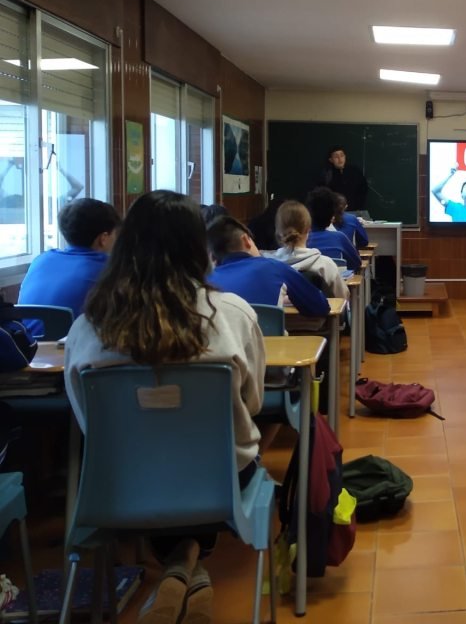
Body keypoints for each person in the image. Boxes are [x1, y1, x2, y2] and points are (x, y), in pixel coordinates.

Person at [64, 190, 266, 624]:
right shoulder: (232, 314)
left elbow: (85, 418)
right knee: (218, 461)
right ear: (198, 246)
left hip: (119, 485)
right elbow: (252, 404)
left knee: (163, 473)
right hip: (222, 480)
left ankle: (180, 567)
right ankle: (189, 562)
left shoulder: (88, 325)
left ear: (124, 243)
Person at [18, 198, 121, 338]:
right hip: (71, 348)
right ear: (103, 238)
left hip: (27, 346)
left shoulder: (40, 261)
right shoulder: (110, 269)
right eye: (115, 234)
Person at [207, 216, 330, 318]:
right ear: (246, 240)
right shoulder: (274, 267)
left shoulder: (205, 281)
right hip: (268, 340)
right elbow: (320, 307)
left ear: (212, 256)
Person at [267, 201, 349, 300]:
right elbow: (342, 299)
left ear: (278, 232)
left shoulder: (267, 267)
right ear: (308, 230)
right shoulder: (325, 265)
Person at [305, 187, 361, 271]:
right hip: (335, 278)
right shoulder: (339, 238)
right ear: (332, 216)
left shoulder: (299, 241)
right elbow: (356, 263)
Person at [321, 145, 368, 211]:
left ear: (345, 157)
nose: (340, 159)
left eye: (342, 155)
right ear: (331, 160)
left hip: (355, 211)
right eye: (336, 157)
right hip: (335, 211)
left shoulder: (355, 171)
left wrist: (358, 207)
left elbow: (363, 190)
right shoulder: (327, 175)